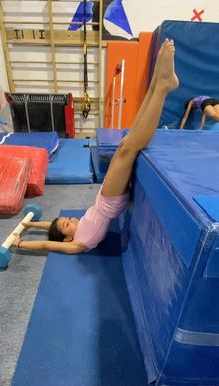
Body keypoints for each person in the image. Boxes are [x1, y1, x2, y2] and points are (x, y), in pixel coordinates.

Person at [12, 39, 179, 255]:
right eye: (67, 224)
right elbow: (46, 244)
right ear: (68, 238)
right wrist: (19, 243)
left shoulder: (74, 230)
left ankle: (157, 83)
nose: (71, 219)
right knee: (127, 150)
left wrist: (31, 224)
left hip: (106, 199)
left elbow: (52, 225)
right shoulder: (78, 244)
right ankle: (162, 88)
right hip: (109, 203)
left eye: (67, 219)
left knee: (127, 144)